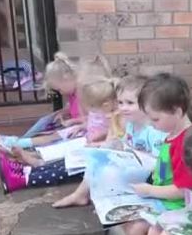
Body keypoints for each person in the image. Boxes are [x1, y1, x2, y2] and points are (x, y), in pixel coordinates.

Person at [110, 73, 192, 235]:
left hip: (182, 205)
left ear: (177, 111)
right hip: (165, 200)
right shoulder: (172, 133)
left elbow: (184, 190)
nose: (153, 125)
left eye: (155, 119)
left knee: (139, 228)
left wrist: (150, 190)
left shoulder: (186, 144)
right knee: (127, 220)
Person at [52, 74, 167, 208]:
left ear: (147, 103)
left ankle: (94, 198)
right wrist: (108, 148)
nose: (123, 107)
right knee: (97, 159)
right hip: (134, 167)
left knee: (106, 170)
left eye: (130, 103)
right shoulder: (131, 124)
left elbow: (159, 161)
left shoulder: (153, 130)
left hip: (149, 177)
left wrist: (129, 155)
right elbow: (124, 143)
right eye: (120, 102)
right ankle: (80, 194)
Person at [0, 73, 118, 193]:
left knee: (64, 170)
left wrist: (96, 142)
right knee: (63, 163)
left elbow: (114, 140)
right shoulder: (110, 114)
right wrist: (83, 128)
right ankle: (26, 171)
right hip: (93, 147)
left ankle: (25, 179)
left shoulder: (114, 117)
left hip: (99, 154)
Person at [0, 52, 85, 151]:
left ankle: (18, 144)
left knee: (54, 135)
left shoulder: (84, 93)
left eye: (59, 89)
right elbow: (71, 107)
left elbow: (93, 118)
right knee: (46, 119)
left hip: (82, 128)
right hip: (74, 124)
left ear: (66, 79)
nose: (61, 93)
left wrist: (73, 121)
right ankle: (22, 141)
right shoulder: (72, 92)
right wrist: (63, 112)